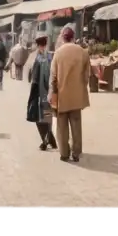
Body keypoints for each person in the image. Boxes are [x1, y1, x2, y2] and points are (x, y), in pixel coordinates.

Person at [49, 26, 91, 163]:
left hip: (62, 95)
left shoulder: (58, 53)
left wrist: (52, 93)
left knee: (62, 126)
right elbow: (87, 76)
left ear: (62, 37)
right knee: (76, 124)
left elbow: (53, 77)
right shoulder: (83, 52)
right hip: (77, 95)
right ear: (73, 37)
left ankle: (64, 153)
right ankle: (76, 153)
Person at [27, 34, 57, 150]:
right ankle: (51, 140)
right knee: (47, 117)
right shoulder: (50, 57)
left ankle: (45, 141)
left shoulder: (39, 58)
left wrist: (33, 96)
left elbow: (35, 78)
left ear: (38, 45)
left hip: (40, 93)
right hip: (50, 91)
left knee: (39, 119)